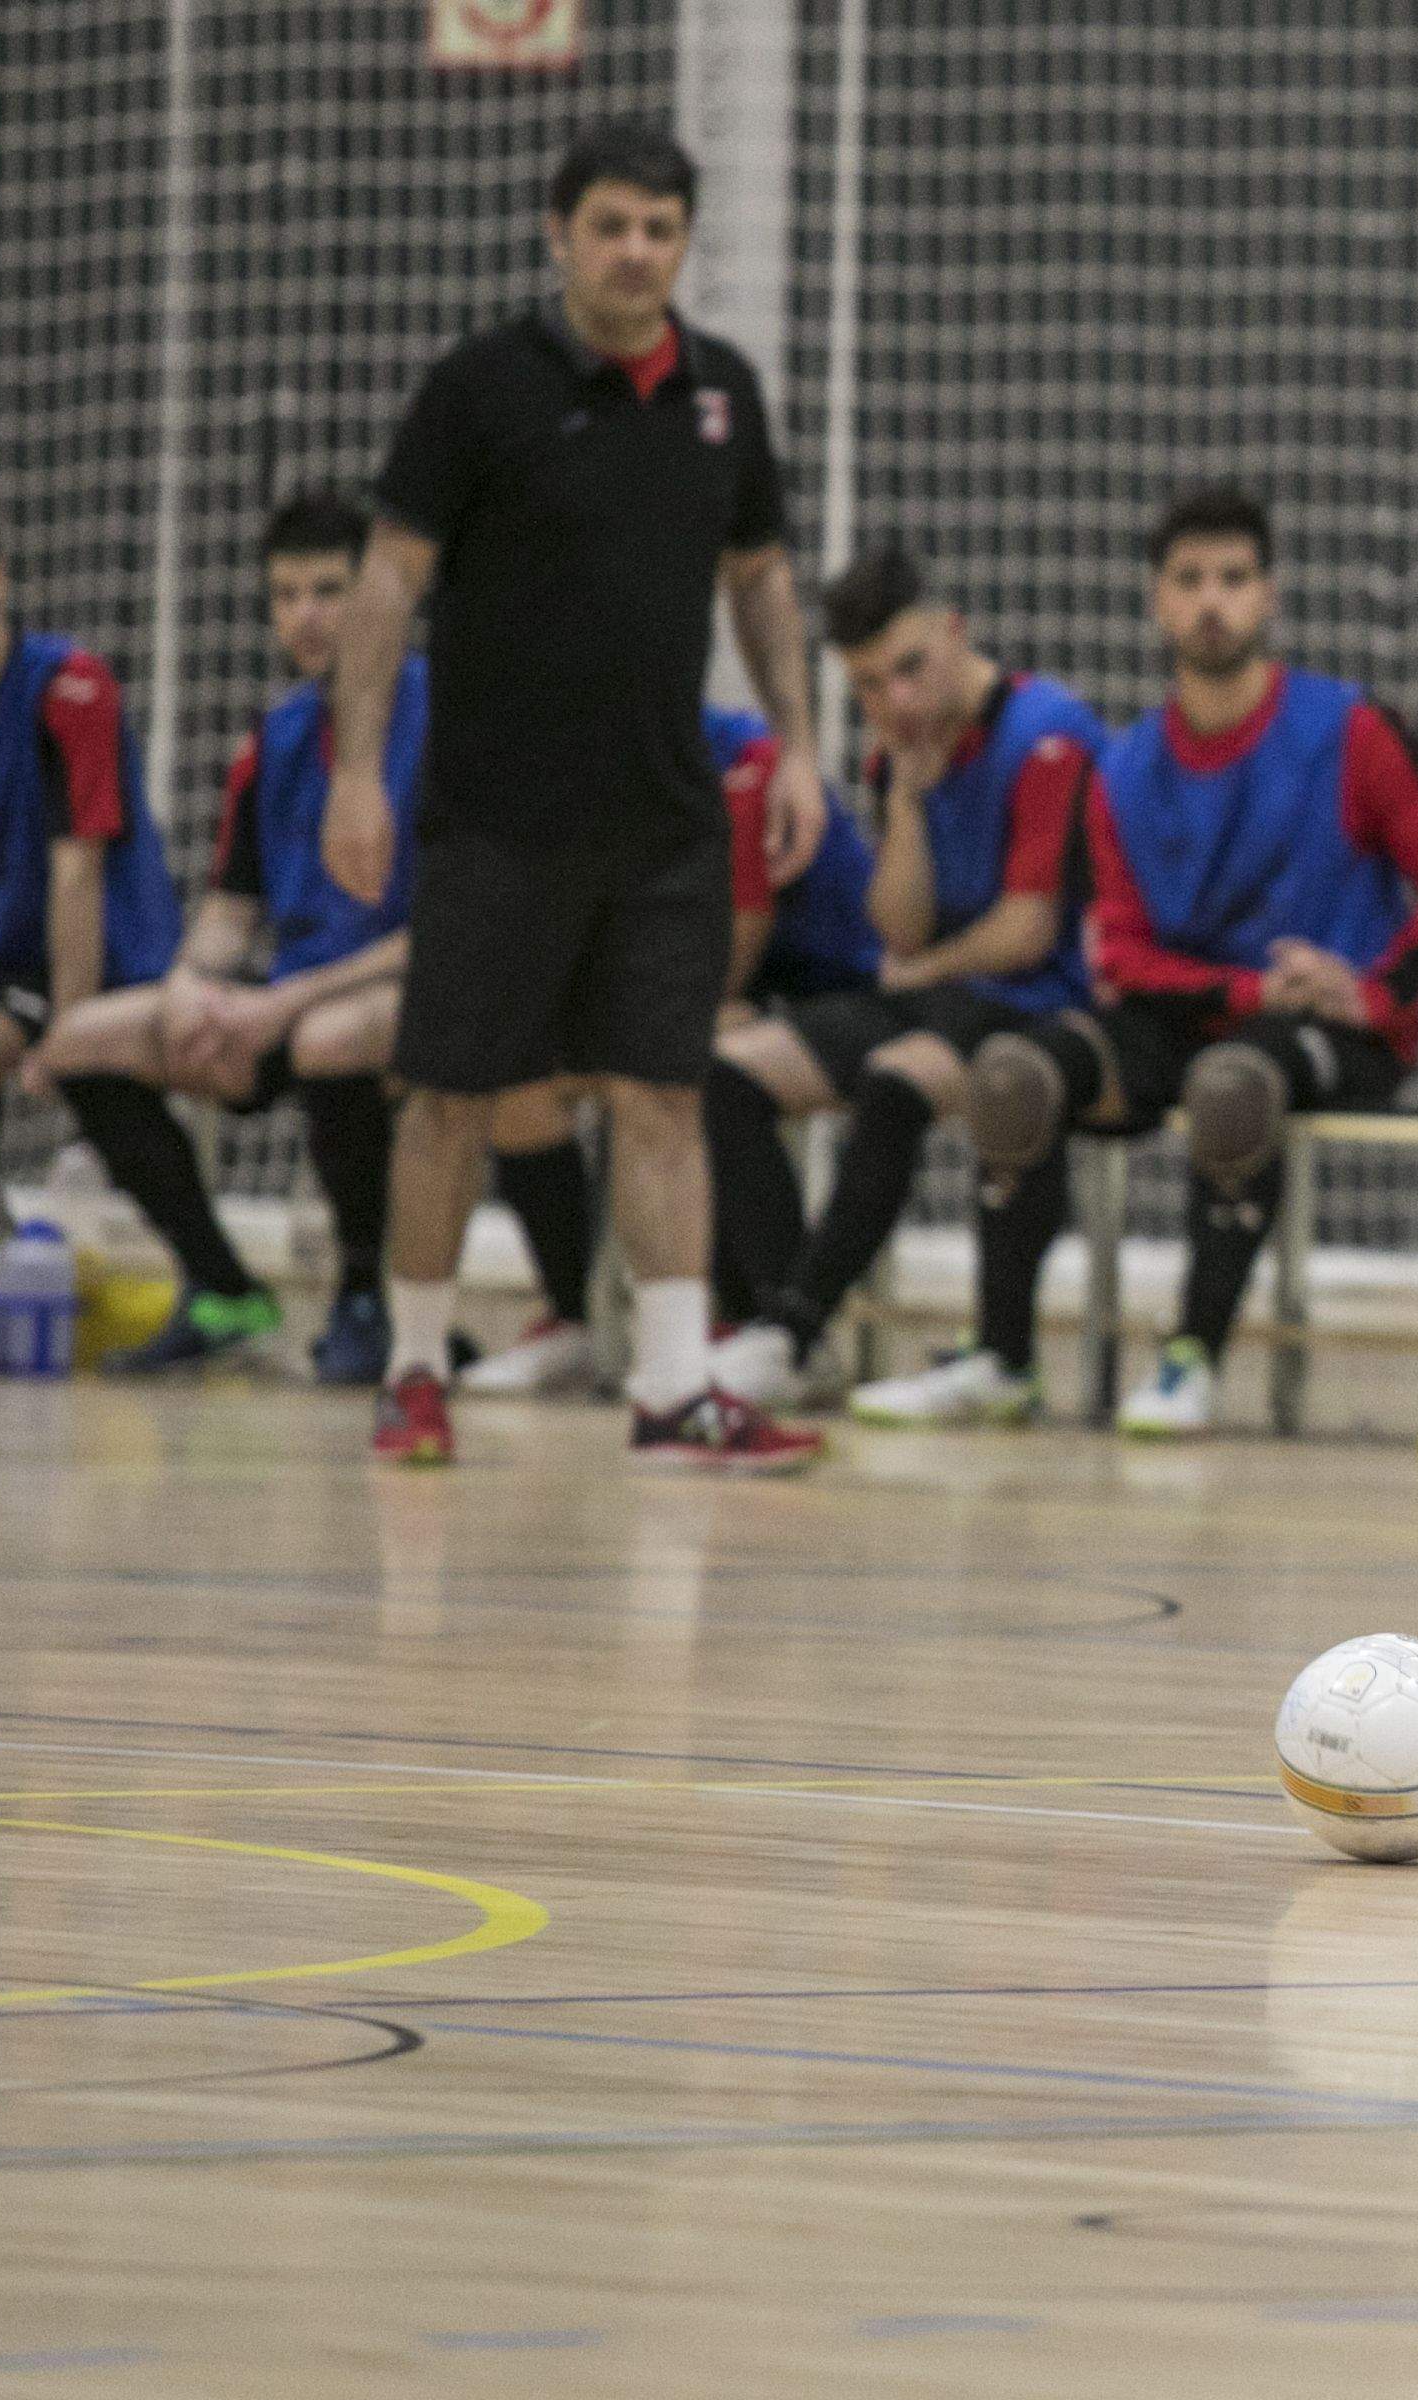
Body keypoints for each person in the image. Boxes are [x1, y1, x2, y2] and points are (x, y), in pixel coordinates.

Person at [328, 119, 827, 1470]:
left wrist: (799, 747)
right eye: (610, 225)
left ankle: (672, 1390)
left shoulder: (723, 393)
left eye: (660, 229)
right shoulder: (480, 387)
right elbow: (389, 576)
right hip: (497, 817)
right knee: (450, 1094)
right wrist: (358, 771)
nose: (635, 251)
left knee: (663, 1092)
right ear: (560, 234)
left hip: (664, 820)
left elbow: (761, 578)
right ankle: (415, 1371)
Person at [962, 483, 1418, 1436]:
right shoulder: (1123, 768)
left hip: (1331, 1029)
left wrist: (1374, 993)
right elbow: (1117, 954)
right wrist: (1245, 988)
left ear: (1269, 595)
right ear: (1156, 600)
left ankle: (1191, 1359)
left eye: (1234, 577)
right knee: (1011, 1077)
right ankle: (1001, 1360)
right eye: (1189, 579)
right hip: (1190, 1014)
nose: (1212, 600)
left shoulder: (1350, 730)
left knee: (1233, 1086)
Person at [701, 542, 1098, 1426]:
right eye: (870, 686)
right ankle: (787, 1333)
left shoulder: (1048, 732)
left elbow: (1027, 930)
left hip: (1041, 1003)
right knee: (725, 1073)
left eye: (911, 669)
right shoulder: (899, 755)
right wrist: (910, 801)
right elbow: (899, 928)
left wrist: (924, 968)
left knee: (895, 1080)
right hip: (939, 996)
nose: (896, 701)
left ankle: (793, 1328)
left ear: (955, 632)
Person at [26, 490, 418, 1382]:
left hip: (410, 999)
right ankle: (222, 1285)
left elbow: (446, 933)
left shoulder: (444, 720)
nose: (305, 616)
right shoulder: (275, 737)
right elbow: (229, 911)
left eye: (328, 591)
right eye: (285, 595)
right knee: (78, 1039)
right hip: (288, 1000)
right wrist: (188, 987)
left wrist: (283, 1003)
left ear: (375, 597)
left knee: (326, 1039)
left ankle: (363, 1297)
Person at [453, 700, 886, 1399]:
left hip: (824, 985)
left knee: (684, 1067)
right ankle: (574, 1319)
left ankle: (773, 1325)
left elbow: (740, 936)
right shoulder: (585, 772)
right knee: (518, 1074)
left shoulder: (746, 764)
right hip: (716, 987)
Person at [0, 497, 199, 1322]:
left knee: (55, 1066)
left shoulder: (67, 687)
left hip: (74, 956)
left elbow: (77, 874)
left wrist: (69, 1027)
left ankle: (225, 1289)